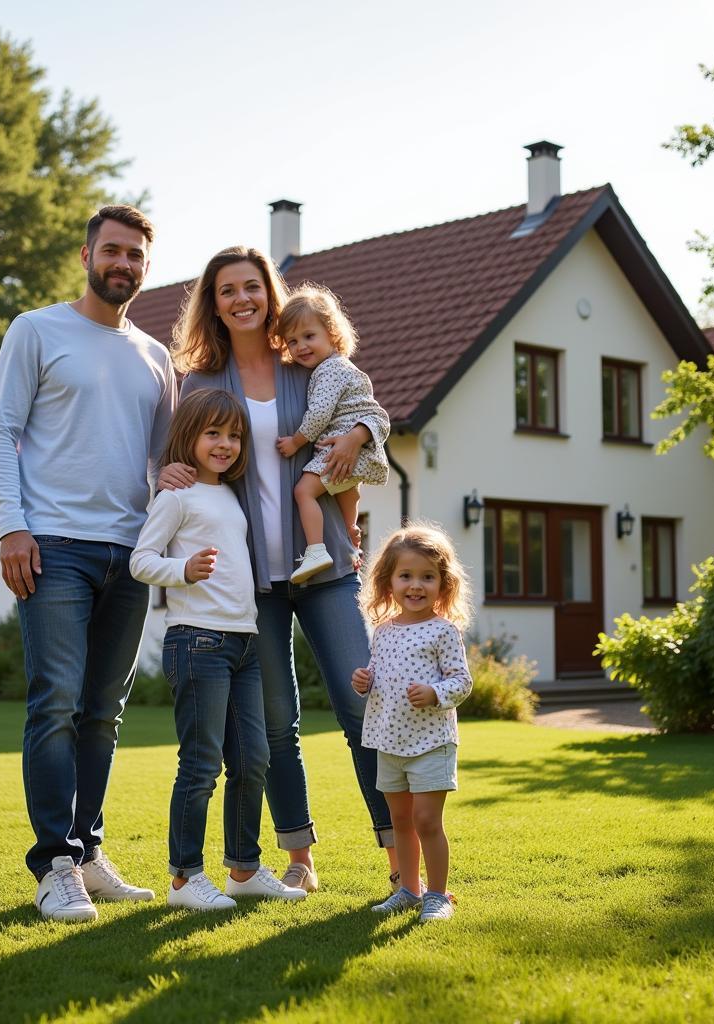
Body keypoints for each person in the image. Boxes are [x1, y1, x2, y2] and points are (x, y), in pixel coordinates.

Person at [161, 246, 400, 895]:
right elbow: (178, 456)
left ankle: (398, 854)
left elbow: (370, 410)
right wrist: (168, 471)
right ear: (213, 304)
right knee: (275, 725)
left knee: (360, 707)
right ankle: (299, 855)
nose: (242, 299)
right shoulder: (203, 384)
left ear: (269, 293)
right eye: (227, 291)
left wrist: (360, 437)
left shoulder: (307, 366)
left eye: (252, 287)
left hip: (323, 568)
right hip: (247, 586)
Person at [0, 204, 177, 923]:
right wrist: (11, 528)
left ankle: (88, 854)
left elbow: (164, 465)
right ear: (88, 254)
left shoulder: (156, 358)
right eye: (113, 251)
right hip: (52, 547)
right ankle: (54, 865)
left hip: (130, 556)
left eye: (136, 257)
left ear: (145, 268)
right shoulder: (37, 330)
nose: (123, 264)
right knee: (55, 703)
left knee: (103, 713)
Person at [130, 389, 307, 910]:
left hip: (244, 643)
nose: (226, 444)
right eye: (213, 434)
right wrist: (181, 571)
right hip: (197, 641)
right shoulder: (176, 496)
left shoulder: (233, 495)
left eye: (234, 436)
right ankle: (184, 878)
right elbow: (142, 560)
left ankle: (244, 868)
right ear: (189, 437)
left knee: (253, 759)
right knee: (202, 764)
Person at [351, 523, 474, 922]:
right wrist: (364, 681)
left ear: (444, 583)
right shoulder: (384, 631)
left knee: (425, 821)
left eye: (427, 577)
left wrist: (435, 692)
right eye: (406, 576)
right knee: (399, 820)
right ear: (389, 581)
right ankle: (408, 888)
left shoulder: (443, 631)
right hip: (390, 742)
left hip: (431, 742)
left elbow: (461, 681)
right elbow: (378, 674)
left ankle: (437, 895)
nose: (416, 586)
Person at [272, 284, 389, 584]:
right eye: (292, 341)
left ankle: (315, 549)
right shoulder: (340, 368)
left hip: (339, 448)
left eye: (309, 336)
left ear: (332, 333)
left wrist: (297, 441)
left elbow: (320, 413)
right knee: (348, 489)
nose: (300, 347)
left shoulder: (329, 370)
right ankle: (351, 532)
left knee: (304, 492)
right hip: (356, 456)